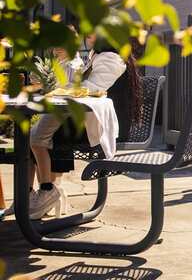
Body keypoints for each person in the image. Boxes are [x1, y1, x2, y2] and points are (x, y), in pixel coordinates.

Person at [26, 34, 142, 219]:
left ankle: (45, 192)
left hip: (97, 127)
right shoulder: (100, 56)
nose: (88, 36)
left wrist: (56, 87)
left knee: (37, 137)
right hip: (87, 119)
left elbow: (90, 89)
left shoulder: (111, 60)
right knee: (33, 135)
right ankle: (33, 196)